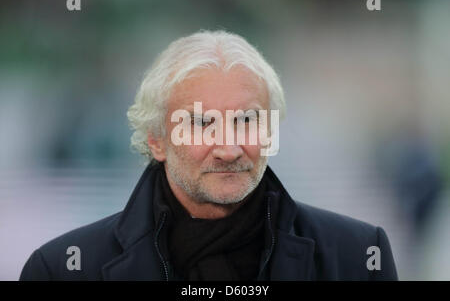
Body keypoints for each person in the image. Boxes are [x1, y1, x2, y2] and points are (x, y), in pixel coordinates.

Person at [20, 30, 398, 281]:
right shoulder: (63, 269)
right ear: (156, 139)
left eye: (247, 121)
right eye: (201, 124)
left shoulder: (359, 257)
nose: (229, 149)